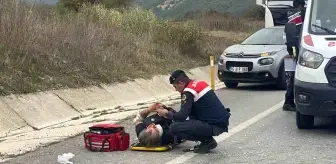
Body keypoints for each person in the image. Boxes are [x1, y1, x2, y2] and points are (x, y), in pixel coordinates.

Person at [156, 70, 231, 154]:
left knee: (174, 127)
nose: (176, 90)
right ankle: (207, 140)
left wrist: (166, 113)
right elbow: (188, 112)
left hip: (214, 125)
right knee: (189, 118)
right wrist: (170, 111)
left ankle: (208, 142)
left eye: (175, 86)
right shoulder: (198, 83)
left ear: (180, 83)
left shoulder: (188, 92)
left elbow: (181, 117)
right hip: (220, 121)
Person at [283, 0, 306, 111]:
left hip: (289, 52)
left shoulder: (290, 15)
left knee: (289, 78)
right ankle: (289, 102)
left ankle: (288, 101)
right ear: (301, 5)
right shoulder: (302, 15)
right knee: (294, 78)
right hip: (296, 52)